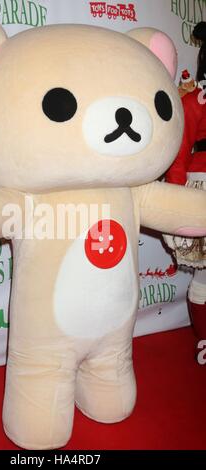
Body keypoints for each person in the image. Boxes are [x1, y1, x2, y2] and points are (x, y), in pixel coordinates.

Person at [165, 22, 206, 342]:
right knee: (205, 278)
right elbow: (179, 152)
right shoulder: (194, 101)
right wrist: (175, 201)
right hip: (201, 190)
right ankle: (205, 338)